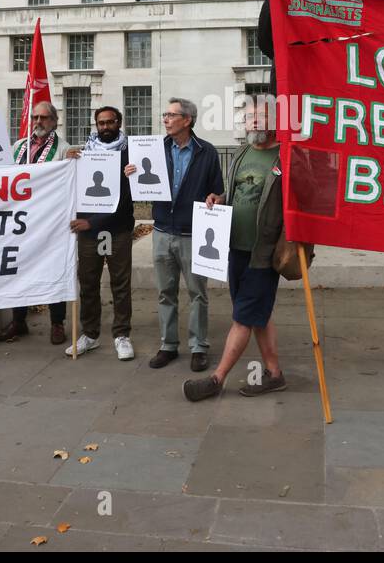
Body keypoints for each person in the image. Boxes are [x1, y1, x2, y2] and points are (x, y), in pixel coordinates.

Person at [184, 96, 286, 402]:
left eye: (261, 116)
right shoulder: (242, 153)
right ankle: (275, 374)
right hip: (235, 249)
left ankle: (217, 379)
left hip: (264, 254)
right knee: (257, 314)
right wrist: (219, 197)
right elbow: (238, 190)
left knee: (242, 317)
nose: (254, 122)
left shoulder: (286, 157)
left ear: (276, 120)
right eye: (249, 117)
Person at [126, 97, 223, 372]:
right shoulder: (155, 150)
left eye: (171, 115)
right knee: (165, 293)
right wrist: (130, 173)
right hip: (161, 232)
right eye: (165, 115)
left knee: (197, 293)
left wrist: (216, 197)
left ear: (187, 120)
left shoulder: (207, 152)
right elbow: (138, 183)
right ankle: (168, 345)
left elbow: (218, 190)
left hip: (192, 234)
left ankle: (198, 347)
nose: (165, 119)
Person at [0, 100, 70, 342]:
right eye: (35, 117)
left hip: (49, 220)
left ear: (54, 122)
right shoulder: (17, 147)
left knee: (54, 268)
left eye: (44, 118)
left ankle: (57, 323)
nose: (38, 122)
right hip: (20, 219)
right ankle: (18, 320)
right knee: (19, 269)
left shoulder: (64, 149)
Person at [66, 106, 135, 360]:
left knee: (120, 284)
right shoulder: (84, 153)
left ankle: (121, 335)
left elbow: (127, 198)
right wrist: (67, 159)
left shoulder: (130, 153)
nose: (105, 127)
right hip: (88, 233)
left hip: (117, 229)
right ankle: (90, 334)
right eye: (101, 123)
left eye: (110, 122)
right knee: (88, 283)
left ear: (119, 123)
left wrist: (91, 223)